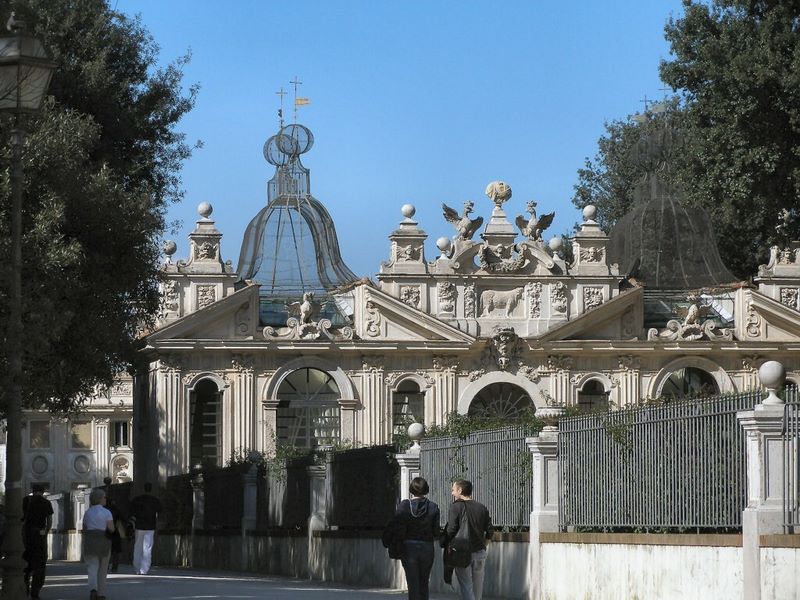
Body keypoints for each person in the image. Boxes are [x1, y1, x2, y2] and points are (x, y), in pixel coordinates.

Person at [442, 479, 493, 600]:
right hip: (479, 552)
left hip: (461, 553)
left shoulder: (456, 507)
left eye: (453, 490)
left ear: (460, 490)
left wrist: (445, 542)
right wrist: (484, 545)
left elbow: (451, 530)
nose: (452, 493)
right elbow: (490, 530)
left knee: (466, 587)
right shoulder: (481, 508)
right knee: (477, 589)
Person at [396, 477, 440, 600]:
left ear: (411, 489)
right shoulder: (433, 507)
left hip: (408, 547)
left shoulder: (404, 506)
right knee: (424, 581)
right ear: (426, 489)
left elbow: (397, 526)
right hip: (427, 547)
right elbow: (436, 531)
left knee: (412, 583)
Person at [83, 487, 115, 600]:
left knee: (92, 567)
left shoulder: (87, 512)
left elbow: (84, 528)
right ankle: (101, 593)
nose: (105, 499)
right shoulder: (107, 512)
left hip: (90, 541)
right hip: (103, 541)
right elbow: (111, 528)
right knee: (102, 569)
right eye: (104, 497)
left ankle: (93, 589)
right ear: (100, 499)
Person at [22, 484, 53, 599]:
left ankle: (25, 588)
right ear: (43, 492)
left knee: (25, 563)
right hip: (39, 535)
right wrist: (46, 533)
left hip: (26, 535)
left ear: (33, 491)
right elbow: (49, 521)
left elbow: (21, 518)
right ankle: (35, 592)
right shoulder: (46, 503)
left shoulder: (25, 500)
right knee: (40, 565)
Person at [130, 482, 161, 575]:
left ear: (143, 488)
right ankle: (144, 569)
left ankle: (137, 567)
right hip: (150, 526)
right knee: (147, 547)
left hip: (139, 525)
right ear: (151, 489)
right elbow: (159, 512)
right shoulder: (155, 500)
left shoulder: (137, 499)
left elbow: (132, 512)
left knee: (138, 546)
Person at [102, 477, 124, 573]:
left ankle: (106, 566)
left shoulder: (103, 508)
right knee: (115, 551)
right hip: (114, 530)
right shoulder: (115, 492)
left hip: (105, 530)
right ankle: (114, 567)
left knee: (106, 550)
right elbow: (120, 519)